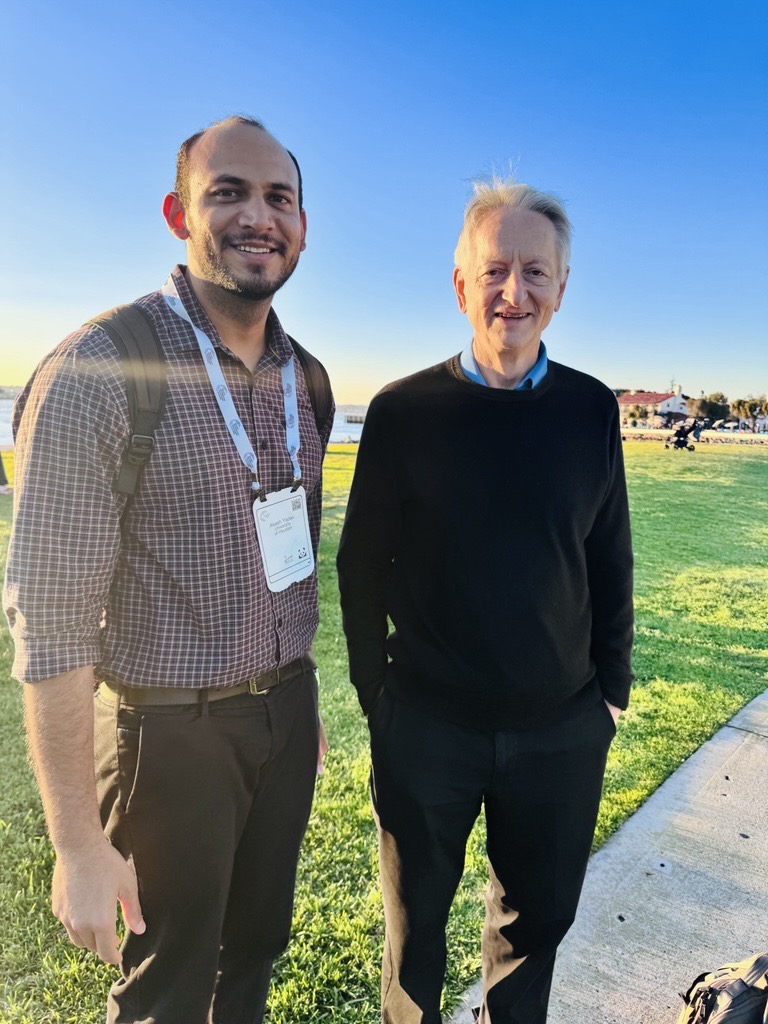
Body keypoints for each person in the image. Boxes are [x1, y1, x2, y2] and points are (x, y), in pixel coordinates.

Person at [3, 115, 334, 1024]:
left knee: (257, 951)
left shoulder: (306, 377)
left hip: (282, 714)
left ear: (303, 226)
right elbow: (51, 621)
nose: (257, 216)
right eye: (228, 191)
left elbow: (291, 561)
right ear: (178, 212)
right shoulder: (100, 367)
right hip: (166, 739)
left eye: (279, 198)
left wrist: (289, 707)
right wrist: (75, 843)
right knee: (168, 988)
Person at [337, 178, 633, 1024]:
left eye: (536, 272)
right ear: (461, 284)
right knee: (415, 927)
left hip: (561, 728)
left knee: (537, 924)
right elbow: (361, 569)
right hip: (428, 723)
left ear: (562, 289)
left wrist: (609, 693)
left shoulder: (589, 409)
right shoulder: (401, 412)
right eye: (495, 269)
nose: (515, 291)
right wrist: (376, 698)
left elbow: (610, 554)